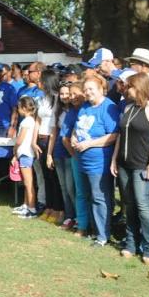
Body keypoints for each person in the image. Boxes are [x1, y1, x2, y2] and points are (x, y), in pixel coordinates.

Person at [110, 73, 149, 264]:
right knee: (129, 203)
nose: (126, 90)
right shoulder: (128, 107)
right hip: (124, 163)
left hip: (142, 163)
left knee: (142, 203)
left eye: (130, 86)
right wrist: (114, 159)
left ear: (140, 87)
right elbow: (120, 135)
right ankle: (131, 242)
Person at [71, 74, 120, 247]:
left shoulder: (109, 107)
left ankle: (103, 236)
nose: (87, 92)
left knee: (100, 198)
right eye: (85, 90)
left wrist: (89, 144)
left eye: (91, 89)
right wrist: (74, 137)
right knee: (89, 196)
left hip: (99, 162)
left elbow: (114, 135)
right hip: (82, 160)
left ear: (101, 89)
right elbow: (77, 127)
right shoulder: (85, 106)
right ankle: (94, 229)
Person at [63, 82, 91, 236]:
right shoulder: (72, 112)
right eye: (70, 94)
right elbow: (65, 138)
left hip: (94, 157)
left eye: (75, 94)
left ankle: (95, 226)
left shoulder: (89, 108)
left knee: (95, 193)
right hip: (77, 157)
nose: (72, 97)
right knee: (80, 192)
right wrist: (74, 155)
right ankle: (82, 224)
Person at [36, 69, 63, 222]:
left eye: (41, 80)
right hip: (40, 139)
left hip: (50, 140)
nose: (38, 82)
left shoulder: (57, 99)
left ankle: (58, 209)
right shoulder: (41, 98)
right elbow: (38, 120)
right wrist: (34, 141)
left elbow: (54, 127)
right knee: (45, 176)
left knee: (54, 176)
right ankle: (49, 206)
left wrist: (49, 153)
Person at [48, 81, 75, 228]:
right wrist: (49, 154)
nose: (64, 96)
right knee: (63, 187)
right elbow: (53, 133)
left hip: (70, 151)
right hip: (58, 151)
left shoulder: (75, 110)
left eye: (67, 93)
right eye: (62, 94)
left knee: (71, 187)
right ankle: (69, 216)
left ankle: (78, 216)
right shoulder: (57, 110)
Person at [11, 96, 38, 218]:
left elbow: (20, 139)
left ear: (24, 108)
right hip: (25, 153)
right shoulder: (30, 120)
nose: (18, 110)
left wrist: (15, 149)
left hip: (26, 154)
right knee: (26, 182)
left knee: (28, 183)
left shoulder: (27, 121)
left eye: (19, 108)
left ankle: (32, 209)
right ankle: (26, 205)